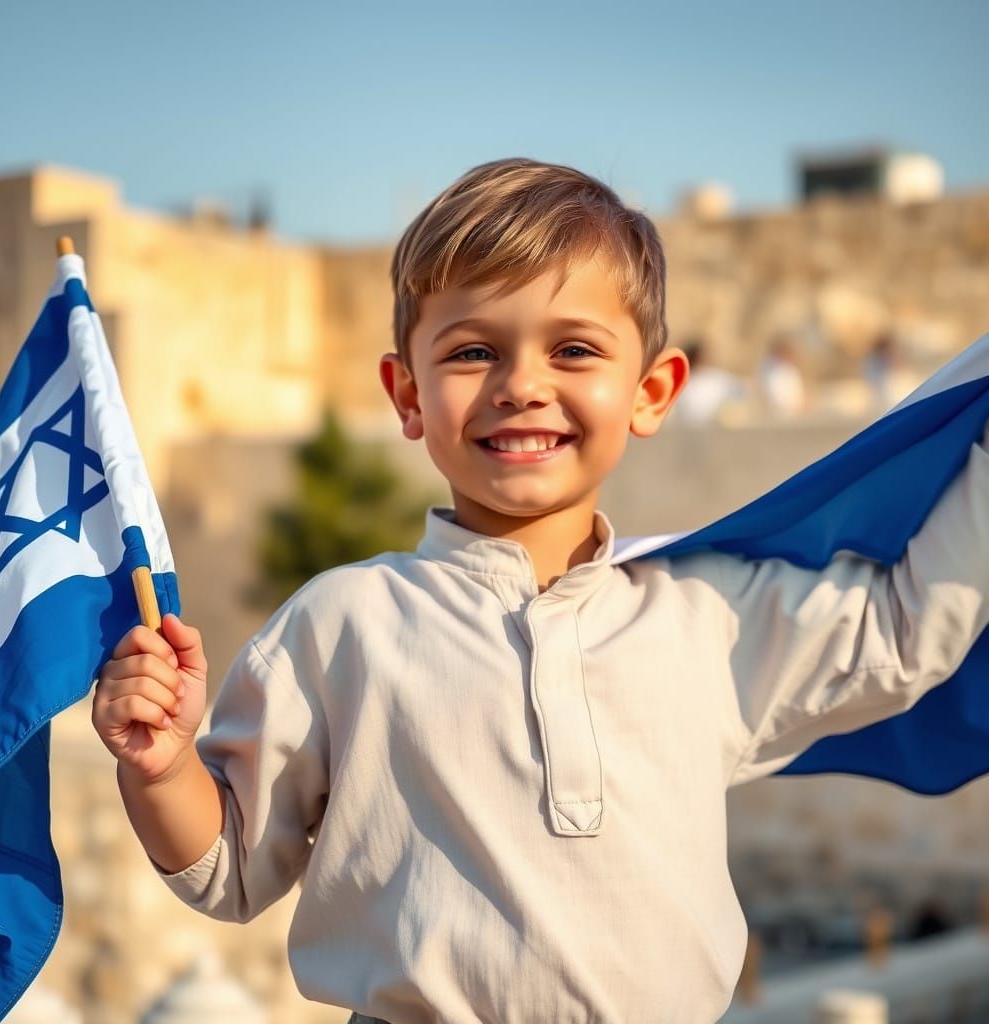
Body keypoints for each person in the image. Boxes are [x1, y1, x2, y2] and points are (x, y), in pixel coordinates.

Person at [91, 159, 989, 1023]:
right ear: (407, 394)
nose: (523, 386)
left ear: (651, 390)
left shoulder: (708, 615)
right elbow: (227, 871)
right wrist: (164, 765)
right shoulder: (342, 625)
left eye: (573, 349)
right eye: (475, 350)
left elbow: (907, 627)